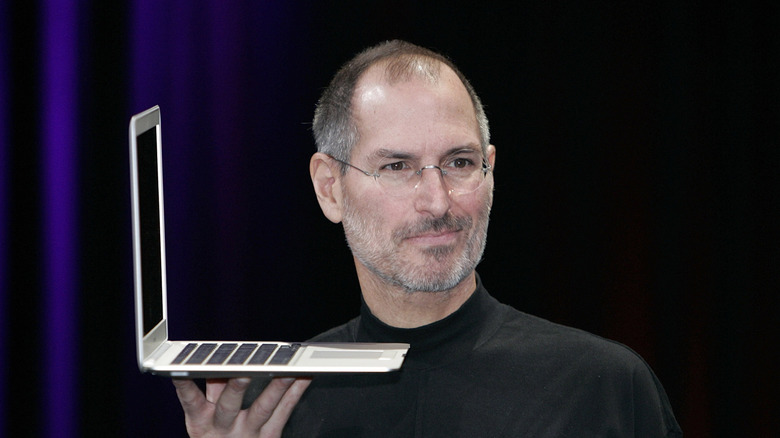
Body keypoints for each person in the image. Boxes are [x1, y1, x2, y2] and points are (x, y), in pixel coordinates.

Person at [173, 40, 683, 437]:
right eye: (398, 167)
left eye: (460, 163)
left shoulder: (603, 387)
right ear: (330, 189)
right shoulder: (274, 405)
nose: (438, 202)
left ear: (491, 171)